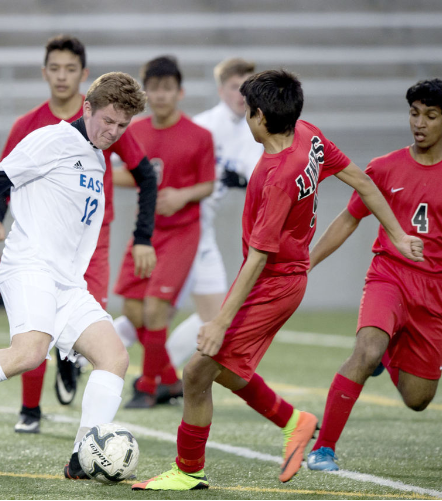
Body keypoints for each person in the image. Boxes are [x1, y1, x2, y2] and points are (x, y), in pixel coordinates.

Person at [132, 69, 424, 490]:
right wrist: (397, 235)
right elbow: (362, 180)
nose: (246, 117)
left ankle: (188, 470)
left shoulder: (276, 176)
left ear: (260, 118)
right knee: (219, 369)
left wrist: (217, 321)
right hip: (283, 278)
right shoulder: (309, 135)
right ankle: (294, 421)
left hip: (271, 282)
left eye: (248, 111)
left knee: (196, 373)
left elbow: (258, 257)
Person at [0, 72, 150, 479]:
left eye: (122, 126)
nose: (113, 131)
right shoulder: (52, 139)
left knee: (114, 358)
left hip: (67, 283)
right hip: (29, 266)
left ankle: (80, 460)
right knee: (30, 353)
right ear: (86, 107)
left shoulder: (96, 154)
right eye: (107, 120)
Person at [0, 35, 156, 433]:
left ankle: (84, 423)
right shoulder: (28, 125)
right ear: (45, 73)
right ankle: (30, 410)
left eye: (70, 69)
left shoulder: (106, 119)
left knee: (90, 324)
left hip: (92, 240)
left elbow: (145, 173)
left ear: (84, 76)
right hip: (42, 242)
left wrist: (143, 236)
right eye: (55, 68)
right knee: (32, 329)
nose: (62, 76)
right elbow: (2, 175)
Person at [306, 78, 442, 472]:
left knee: (418, 398)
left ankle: (389, 351)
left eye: (430, 116)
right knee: (366, 350)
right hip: (388, 276)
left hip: (435, 291)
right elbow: (348, 220)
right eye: (414, 114)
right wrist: (306, 263)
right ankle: (323, 448)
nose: (420, 123)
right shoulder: (385, 167)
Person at [113, 57, 263, 384]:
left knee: (205, 318)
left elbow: (228, 180)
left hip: (193, 232)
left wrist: (184, 195)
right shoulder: (203, 126)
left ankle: (156, 380)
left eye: (247, 87)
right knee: (143, 311)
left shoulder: (247, 129)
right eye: (235, 86)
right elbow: (136, 170)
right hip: (161, 230)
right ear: (221, 89)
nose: (242, 94)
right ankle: (157, 376)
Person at [113, 56, 215, 409]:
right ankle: (170, 381)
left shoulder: (199, 136)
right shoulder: (135, 131)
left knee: (156, 310)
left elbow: (208, 184)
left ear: (180, 92)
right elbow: (135, 175)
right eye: (153, 88)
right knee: (131, 308)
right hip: (146, 229)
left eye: (167, 88)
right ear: (146, 92)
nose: (160, 95)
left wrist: (181, 195)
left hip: (182, 232)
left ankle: (147, 383)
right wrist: (104, 176)